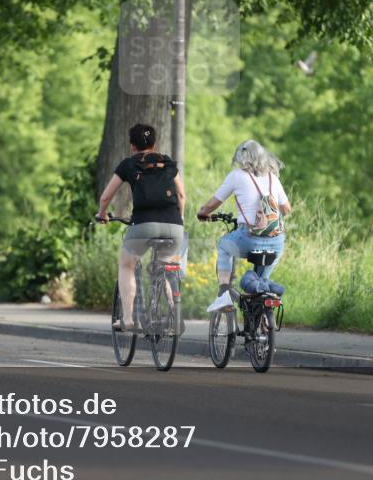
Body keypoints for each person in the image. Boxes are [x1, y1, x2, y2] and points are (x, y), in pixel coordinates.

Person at [96, 124, 185, 331]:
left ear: (132, 146)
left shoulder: (129, 164)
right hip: (174, 226)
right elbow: (181, 195)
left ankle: (128, 319)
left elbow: (106, 197)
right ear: (154, 144)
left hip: (143, 225)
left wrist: (102, 214)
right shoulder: (169, 164)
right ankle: (173, 314)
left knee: (127, 264)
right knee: (165, 265)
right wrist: (179, 219)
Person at [196, 139, 292, 312]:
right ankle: (262, 316)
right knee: (261, 282)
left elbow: (213, 204)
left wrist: (203, 212)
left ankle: (224, 293)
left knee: (224, 246)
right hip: (276, 242)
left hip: (249, 238)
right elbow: (286, 208)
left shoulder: (236, 176)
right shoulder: (273, 177)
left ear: (241, 157)